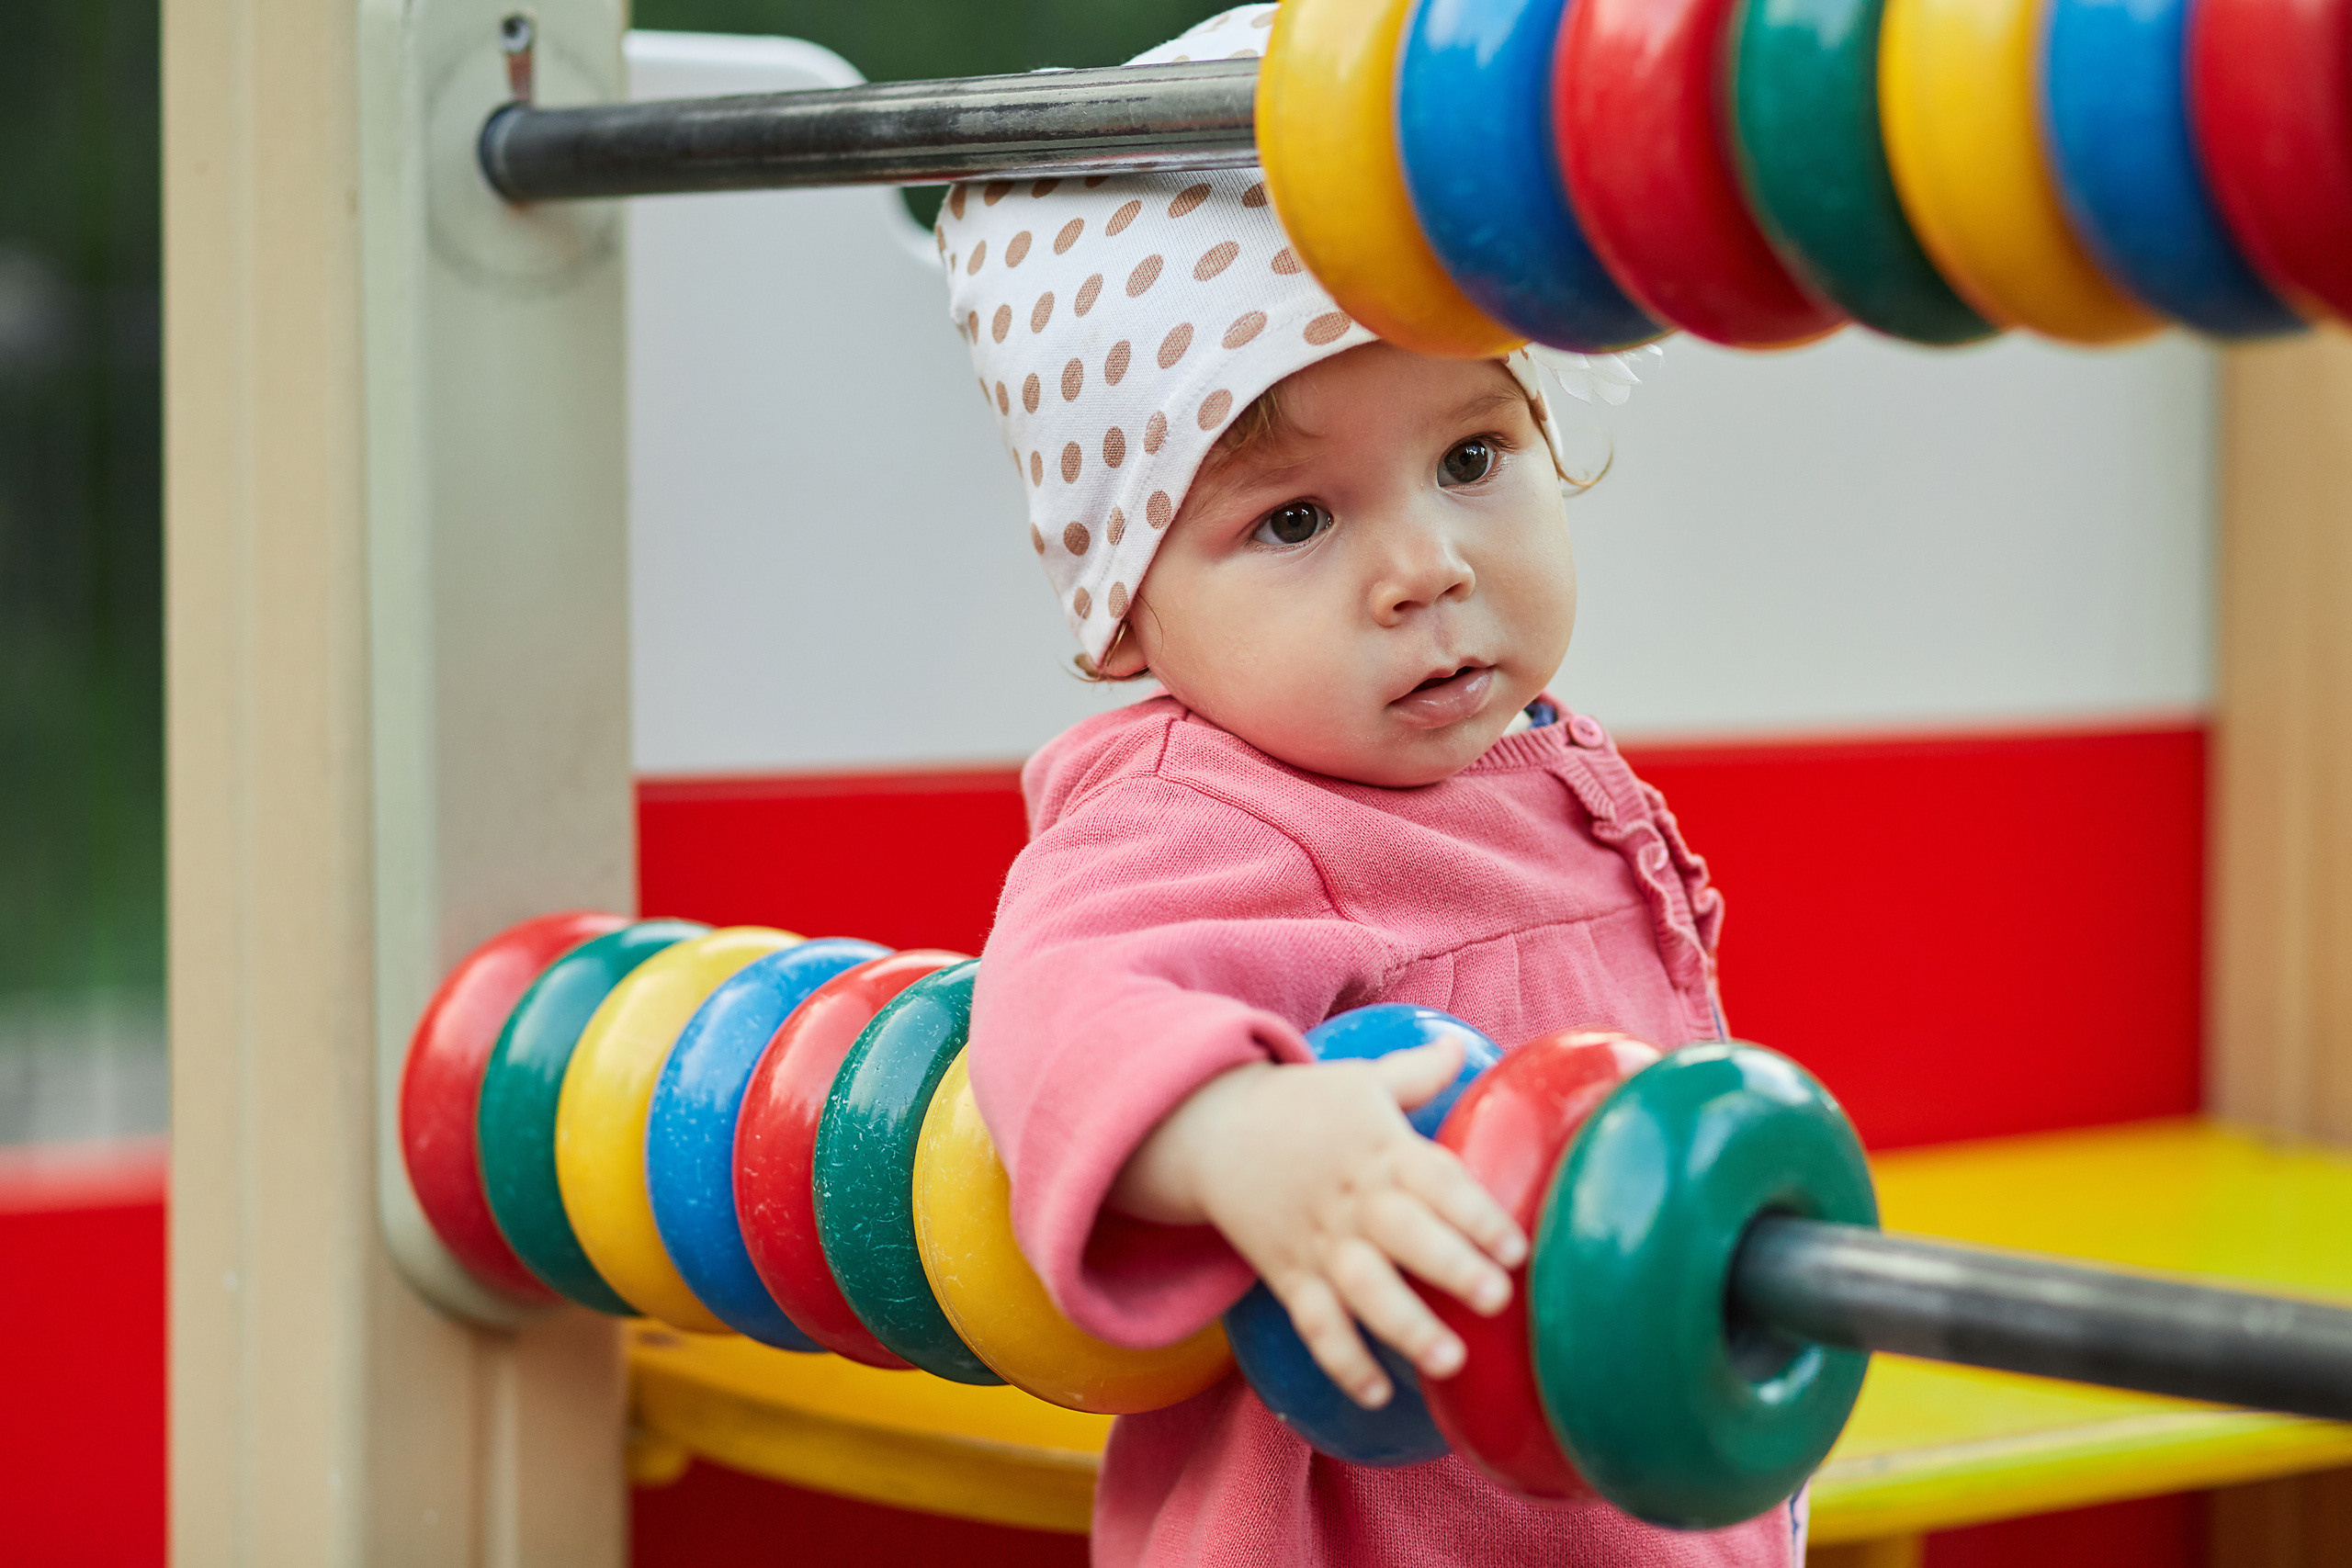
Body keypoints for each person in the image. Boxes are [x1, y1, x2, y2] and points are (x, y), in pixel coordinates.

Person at [939, 9, 1794, 1562]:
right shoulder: (1211, 808)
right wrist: (1240, 1142)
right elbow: (1058, 1011)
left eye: (1472, 459)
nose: (1425, 568)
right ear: (1126, 613)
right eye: (1293, 521)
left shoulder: (1518, 759)